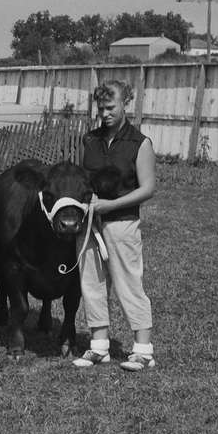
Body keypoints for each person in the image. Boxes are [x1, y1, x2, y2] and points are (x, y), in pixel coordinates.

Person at [73, 79, 157, 372]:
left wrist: (111, 205)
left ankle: (143, 350)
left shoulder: (139, 143)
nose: (105, 113)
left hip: (122, 223)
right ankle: (99, 347)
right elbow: (84, 179)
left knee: (128, 283)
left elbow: (147, 189)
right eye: (101, 108)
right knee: (92, 283)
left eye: (111, 107)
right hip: (90, 224)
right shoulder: (89, 140)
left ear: (126, 104)